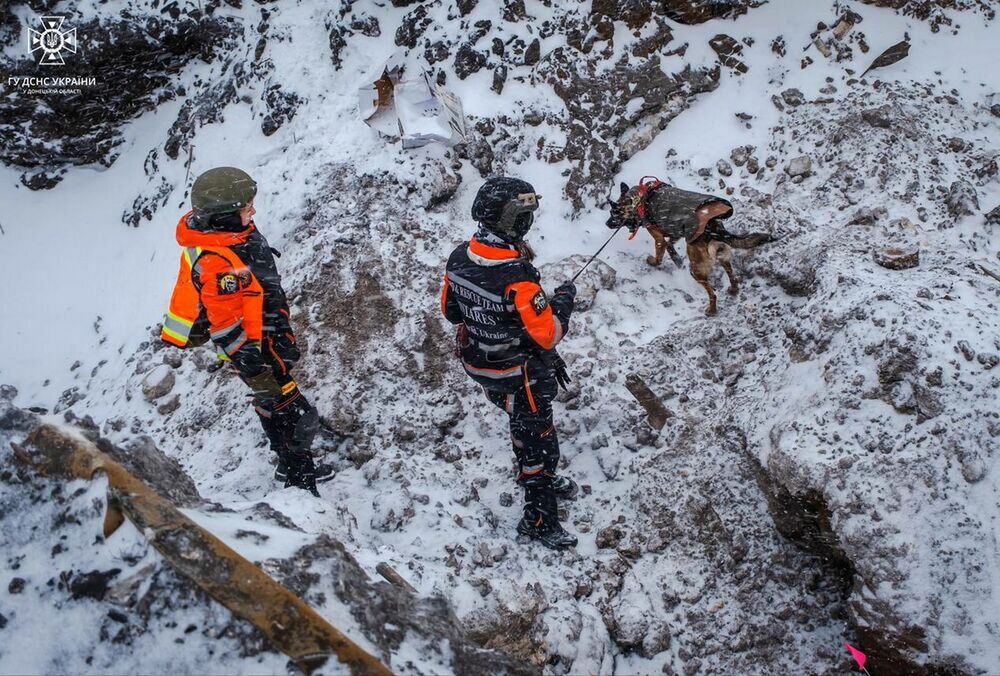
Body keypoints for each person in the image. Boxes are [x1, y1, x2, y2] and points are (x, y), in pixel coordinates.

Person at [160, 166, 326, 496]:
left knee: (280, 407)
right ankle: (300, 483)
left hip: (267, 335)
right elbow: (226, 328)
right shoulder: (217, 264)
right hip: (254, 349)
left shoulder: (234, 233)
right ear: (224, 216)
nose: (253, 211)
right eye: (247, 207)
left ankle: (288, 464)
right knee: (294, 414)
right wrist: (256, 372)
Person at [441, 177, 580, 549]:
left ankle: (539, 471)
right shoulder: (519, 280)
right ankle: (538, 518)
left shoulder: (458, 257)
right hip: (521, 374)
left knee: (521, 422)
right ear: (516, 222)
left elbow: (450, 310)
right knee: (537, 440)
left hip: (482, 364)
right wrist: (563, 302)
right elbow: (547, 334)